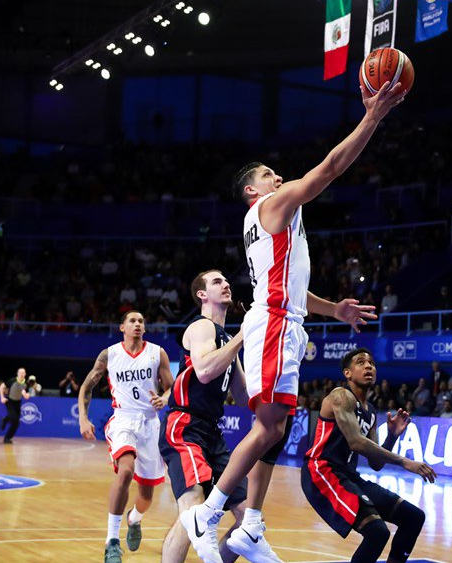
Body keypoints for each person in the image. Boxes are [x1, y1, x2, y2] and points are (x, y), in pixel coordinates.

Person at [182, 80, 401, 563]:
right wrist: (373, 117)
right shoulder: (271, 206)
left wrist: (334, 309)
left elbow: (292, 286)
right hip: (275, 323)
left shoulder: (275, 220)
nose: (277, 177)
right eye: (268, 174)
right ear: (250, 191)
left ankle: (251, 524)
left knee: (276, 426)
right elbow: (331, 168)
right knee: (269, 427)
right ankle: (212, 509)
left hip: (286, 318)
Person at [301, 348, 434, 563]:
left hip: (348, 475)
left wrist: (391, 437)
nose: (368, 366)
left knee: (413, 517)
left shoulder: (370, 410)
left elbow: (375, 464)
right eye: (361, 362)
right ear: (347, 373)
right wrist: (404, 461)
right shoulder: (340, 396)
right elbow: (356, 442)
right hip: (322, 471)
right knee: (377, 532)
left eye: (371, 363)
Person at [160, 270, 253, 563]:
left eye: (226, 280)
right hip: (185, 426)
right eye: (216, 282)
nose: (226, 284)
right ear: (202, 294)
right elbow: (203, 370)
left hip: (212, 433)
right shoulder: (202, 327)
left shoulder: (226, 339)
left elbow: (245, 397)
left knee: (247, 518)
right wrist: (243, 335)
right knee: (193, 510)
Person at [78, 310, 174, 563]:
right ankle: (111, 541)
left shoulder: (157, 353)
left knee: (146, 497)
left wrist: (163, 398)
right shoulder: (110, 354)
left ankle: (134, 519)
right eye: (132, 320)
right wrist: (83, 418)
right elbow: (87, 386)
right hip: (123, 419)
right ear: (122, 327)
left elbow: (171, 387)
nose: (138, 324)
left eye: (142, 320)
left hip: (150, 424)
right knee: (126, 471)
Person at [0, 368, 32, 444]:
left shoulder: (26, 383)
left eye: (23, 373)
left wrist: (26, 395)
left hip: (18, 403)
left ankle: (7, 437)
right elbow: (1, 386)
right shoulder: (12, 381)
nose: (22, 374)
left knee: (16, 423)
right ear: (17, 373)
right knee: (14, 419)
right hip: (10, 401)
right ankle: (5, 421)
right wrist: (2, 397)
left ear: (25, 374)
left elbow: (26, 394)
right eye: (20, 372)